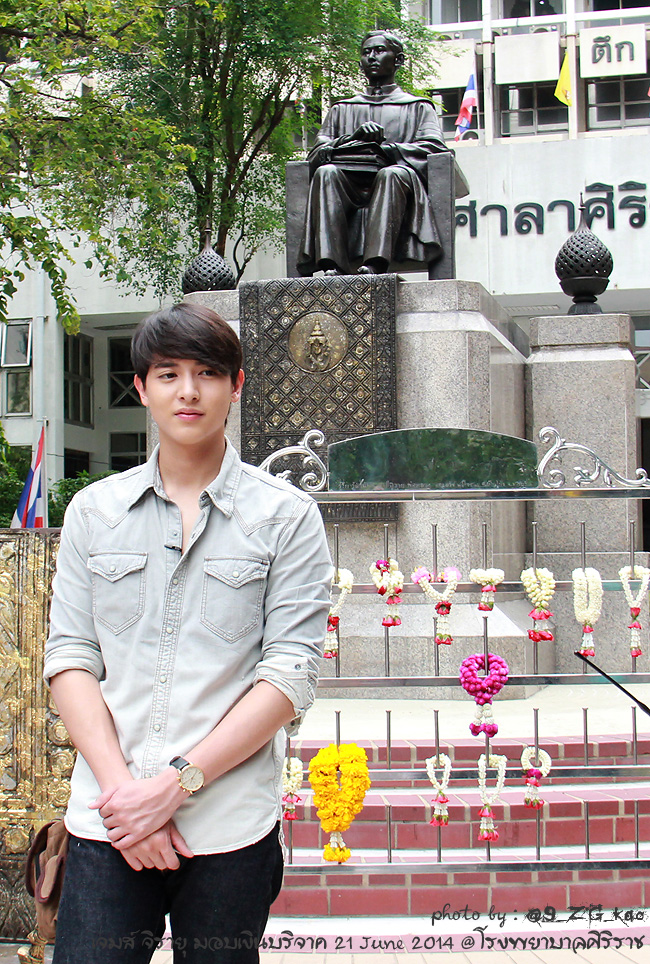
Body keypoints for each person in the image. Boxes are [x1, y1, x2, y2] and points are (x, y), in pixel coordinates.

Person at [43, 303, 332, 963]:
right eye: (168, 374)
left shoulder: (286, 517)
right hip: (109, 825)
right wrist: (128, 800)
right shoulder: (94, 513)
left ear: (237, 385)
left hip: (228, 829)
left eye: (208, 372)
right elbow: (71, 658)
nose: (189, 391)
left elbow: (289, 674)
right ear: (141, 388)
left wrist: (173, 787)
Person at [296, 30, 451, 276]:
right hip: (349, 186)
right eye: (366, 52)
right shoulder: (341, 109)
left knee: (391, 174)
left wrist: (388, 150)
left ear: (398, 60)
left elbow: (433, 149)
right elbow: (317, 154)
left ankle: (375, 265)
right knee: (326, 173)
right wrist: (352, 139)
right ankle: (331, 267)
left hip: (398, 186)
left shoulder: (418, 107)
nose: (371, 57)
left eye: (379, 51)